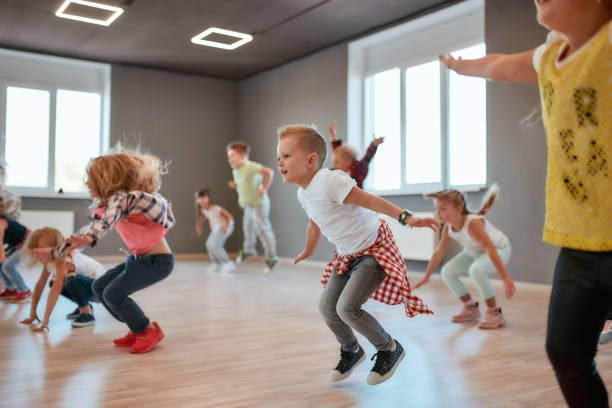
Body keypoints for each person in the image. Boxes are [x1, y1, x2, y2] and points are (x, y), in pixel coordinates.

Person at [438, 2, 611, 405]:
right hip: (580, 238)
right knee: (565, 350)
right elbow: (499, 65)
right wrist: (463, 67)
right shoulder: (549, 56)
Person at [277, 124, 439, 385]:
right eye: (278, 158)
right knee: (327, 308)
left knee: (347, 308)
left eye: (286, 156)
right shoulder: (303, 193)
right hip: (347, 256)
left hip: (374, 250)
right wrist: (308, 249)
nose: (280, 162)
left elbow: (370, 200)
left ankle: (389, 348)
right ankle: (351, 350)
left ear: (310, 160)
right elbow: (314, 224)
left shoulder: (331, 181)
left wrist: (406, 217)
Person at [34, 148, 175, 354]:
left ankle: (146, 330)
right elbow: (89, 229)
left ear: (106, 180)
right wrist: (56, 252)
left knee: (113, 293)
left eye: (90, 179)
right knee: (99, 287)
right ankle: (137, 329)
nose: (86, 184)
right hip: (138, 260)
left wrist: (88, 239)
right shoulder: (111, 205)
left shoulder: (125, 199)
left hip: (157, 262)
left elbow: (101, 227)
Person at [414, 185, 515, 329]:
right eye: (437, 208)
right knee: (447, 271)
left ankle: (495, 313)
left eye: (443, 209)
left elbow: (490, 249)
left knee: (476, 270)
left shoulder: (473, 223)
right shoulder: (448, 228)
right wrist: (426, 276)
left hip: (500, 249)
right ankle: (470, 308)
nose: (438, 213)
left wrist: (505, 278)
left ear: (458, 209)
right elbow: (439, 252)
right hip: (475, 252)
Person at [20, 227, 105, 330]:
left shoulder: (65, 262)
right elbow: (40, 285)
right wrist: (32, 314)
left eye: (40, 252)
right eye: (35, 253)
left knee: (70, 280)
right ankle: (84, 306)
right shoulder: (50, 260)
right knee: (53, 282)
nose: (37, 256)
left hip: (102, 291)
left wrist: (45, 320)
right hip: (91, 288)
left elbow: (56, 290)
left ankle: (87, 314)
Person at [227, 141, 278, 274]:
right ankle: (249, 251)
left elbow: (269, 172)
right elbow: (244, 182)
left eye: (232, 155)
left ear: (243, 156)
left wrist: (264, 188)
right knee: (247, 228)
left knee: (262, 229)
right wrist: (236, 185)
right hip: (248, 205)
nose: (229, 159)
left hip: (259, 203)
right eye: (229, 156)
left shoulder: (250, 166)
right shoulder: (236, 170)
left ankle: (271, 257)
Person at [195, 189, 235, 274]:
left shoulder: (215, 208)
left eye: (203, 198)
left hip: (225, 226)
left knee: (216, 245)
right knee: (209, 244)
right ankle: (217, 264)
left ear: (208, 199)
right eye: (200, 199)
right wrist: (199, 226)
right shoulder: (204, 210)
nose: (201, 201)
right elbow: (203, 217)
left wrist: (227, 227)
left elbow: (229, 216)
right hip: (216, 229)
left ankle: (228, 263)